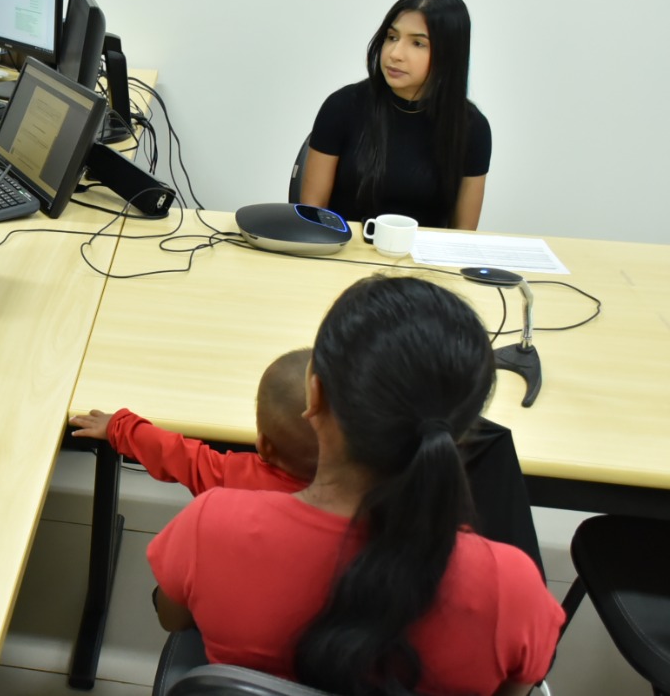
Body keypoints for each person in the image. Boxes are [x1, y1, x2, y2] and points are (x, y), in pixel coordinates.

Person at [148, 276, 562, 696]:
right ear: (465, 427)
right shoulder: (511, 589)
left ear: (314, 394)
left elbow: (173, 617)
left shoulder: (211, 526)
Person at [300, 0, 491, 230]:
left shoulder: (472, 128)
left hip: (422, 264)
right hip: (342, 255)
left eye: (418, 43)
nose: (395, 54)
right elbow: (312, 216)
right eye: (392, 37)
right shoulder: (342, 106)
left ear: (449, 54)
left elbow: (462, 237)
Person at [68, 348, 315, 495]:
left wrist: (118, 426)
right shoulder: (353, 498)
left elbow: (178, 454)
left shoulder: (236, 477)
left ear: (264, 445)